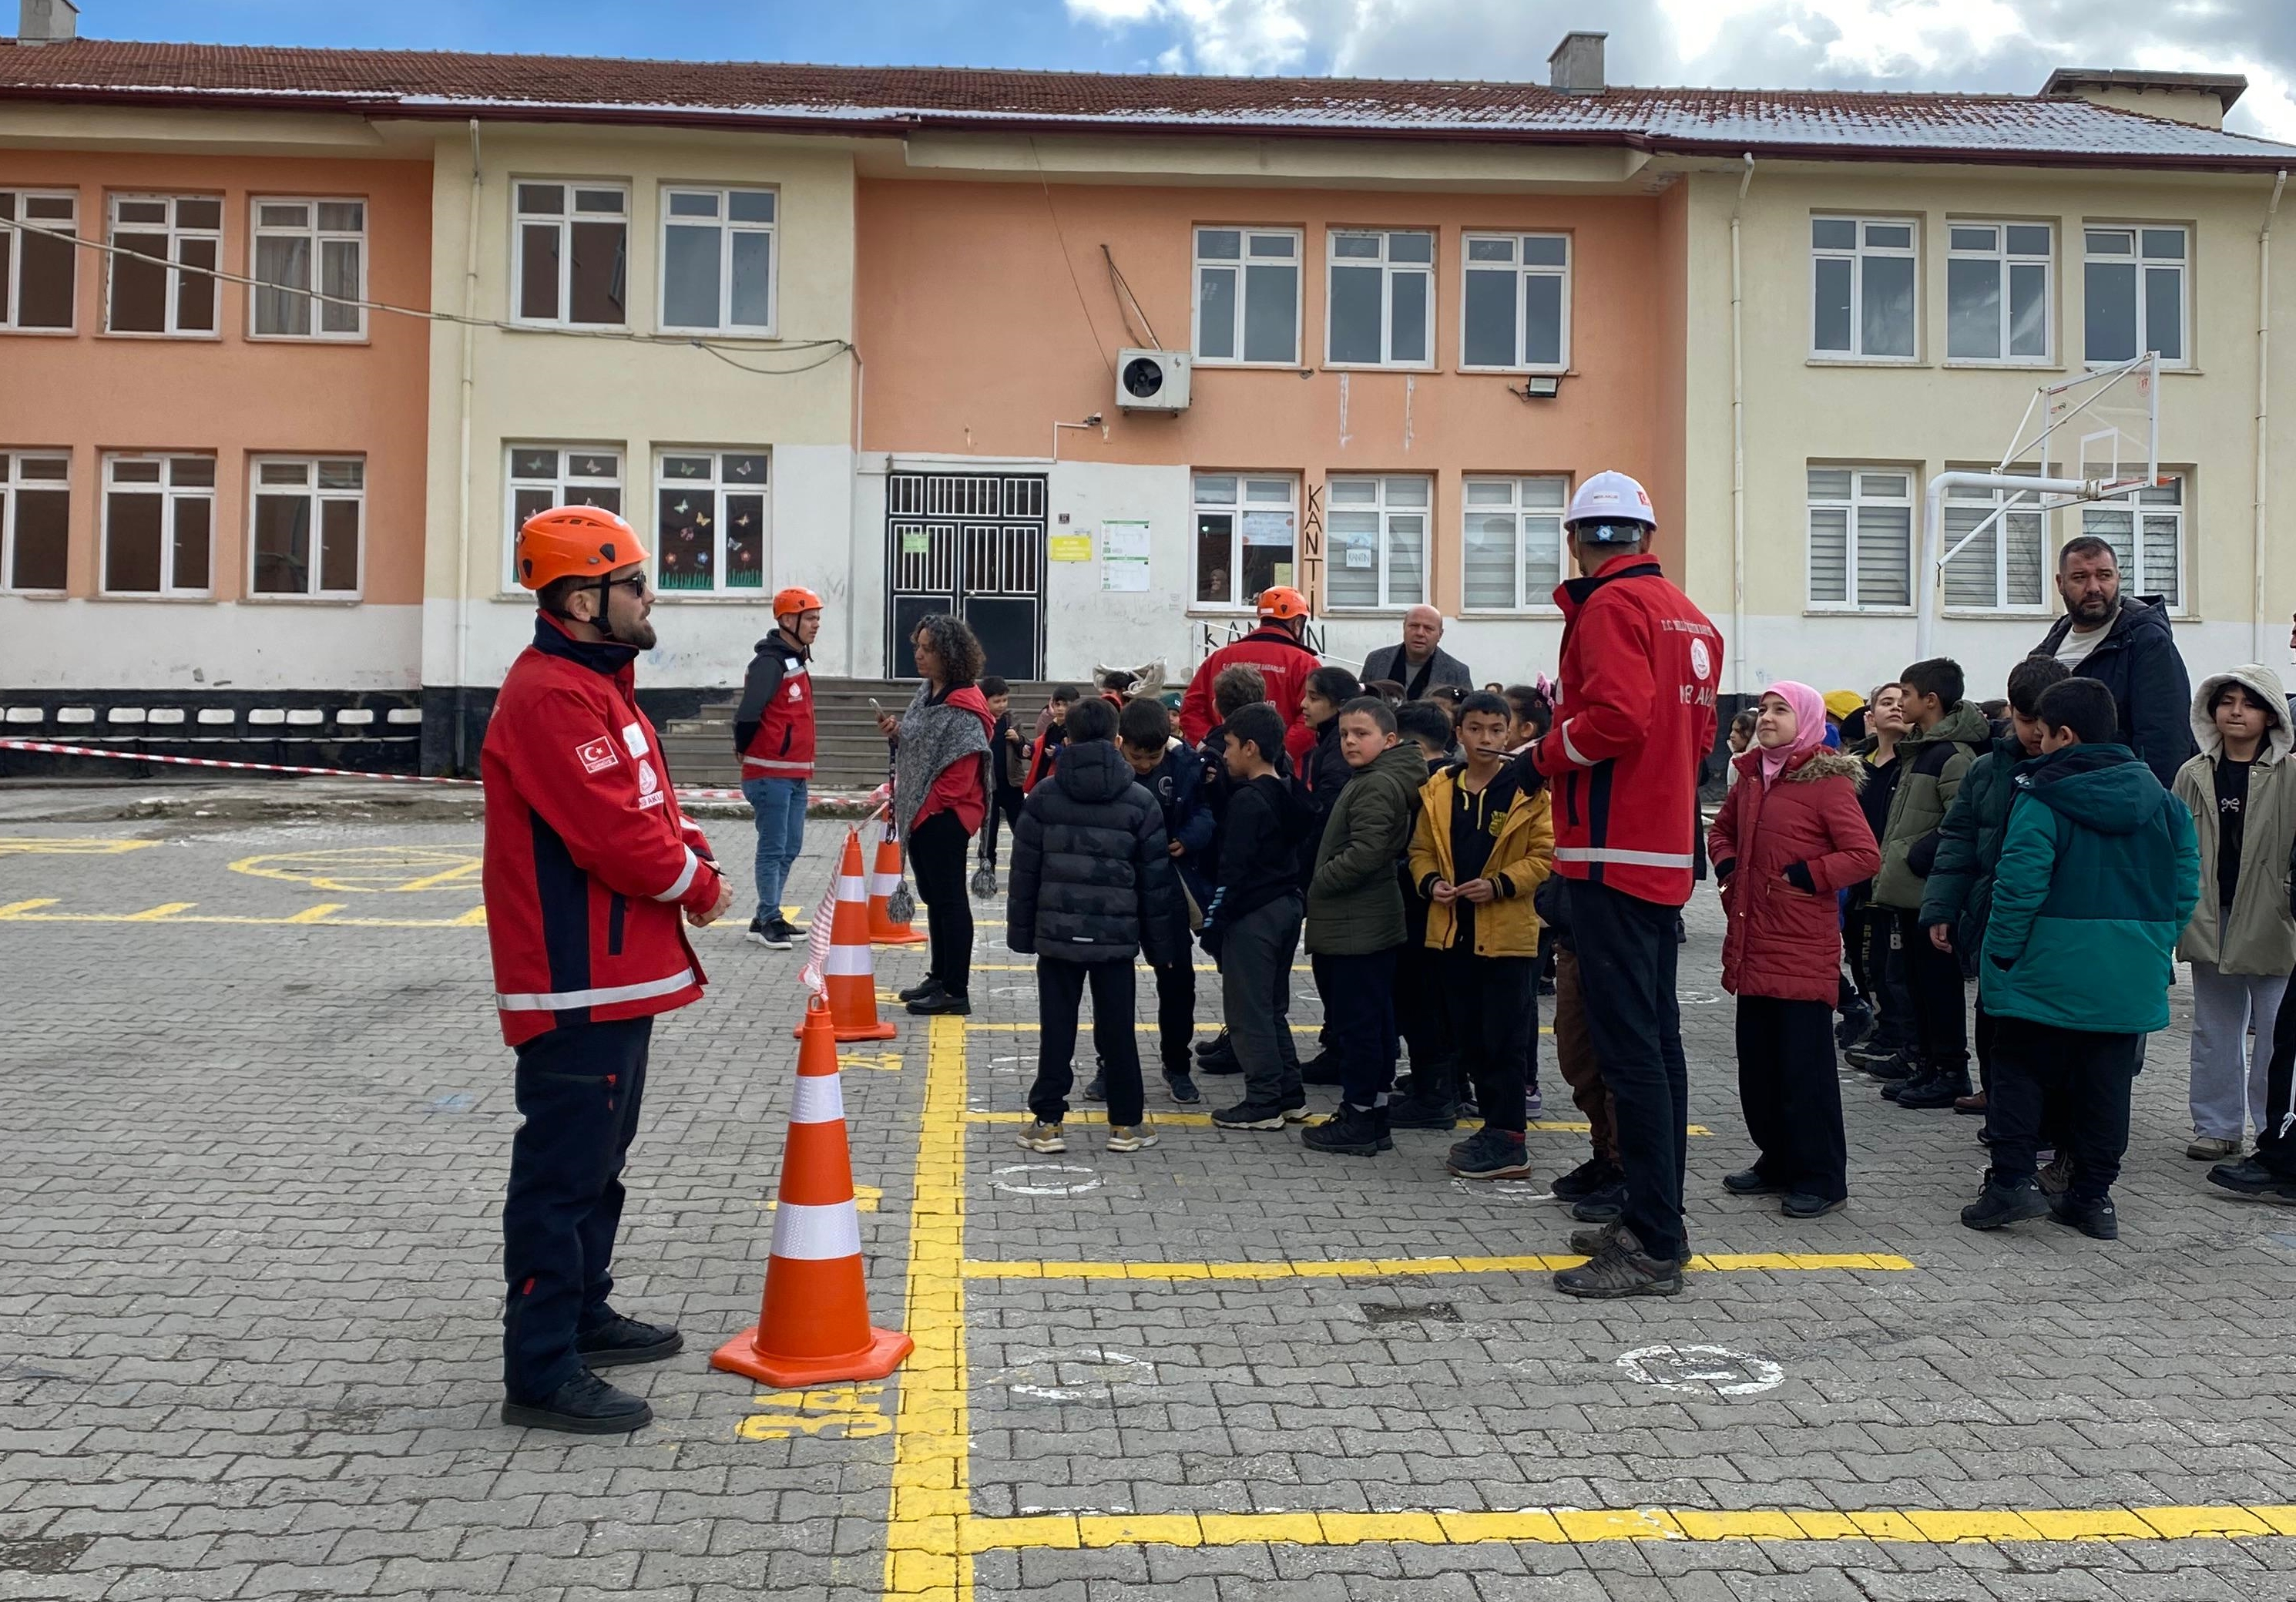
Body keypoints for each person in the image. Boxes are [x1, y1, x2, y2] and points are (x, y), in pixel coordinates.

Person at [484, 506, 731, 1434]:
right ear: (583, 598)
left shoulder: (599, 686)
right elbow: (610, 834)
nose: (648, 595)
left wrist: (693, 846)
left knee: (600, 1162)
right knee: (562, 1173)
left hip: (615, 970)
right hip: (575, 972)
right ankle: (541, 1371)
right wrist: (695, 884)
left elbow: (646, 801)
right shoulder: (552, 693)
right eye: (632, 582)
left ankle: (583, 1313)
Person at [1526, 470, 1721, 1299]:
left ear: (1576, 539)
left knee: (1630, 1051)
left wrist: (1542, 754)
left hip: (1611, 850)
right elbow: (1695, 733)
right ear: (1645, 535)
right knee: (1657, 1046)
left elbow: (1615, 720)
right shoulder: (1687, 614)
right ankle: (1652, 1214)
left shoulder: (1608, 609)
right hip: (1662, 850)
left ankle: (1652, 1240)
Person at [1962, 677, 2198, 1239]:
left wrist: (2001, 954)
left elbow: (2019, 888)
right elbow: (2186, 886)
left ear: (2065, 735)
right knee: (2107, 1086)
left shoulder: (2042, 798)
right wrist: (2154, 941)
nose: (2035, 745)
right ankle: (2093, 1198)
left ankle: (2011, 1185)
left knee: (2018, 1070)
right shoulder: (2165, 804)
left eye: (2041, 734)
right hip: (2130, 971)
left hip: (2044, 964)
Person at [1708, 682, 1880, 1219]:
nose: (1767, 717)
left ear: (1805, 719)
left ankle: (1822, 1176)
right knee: (1759, 1068)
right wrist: (1730, 869)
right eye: (1763, 708)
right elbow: (1722, 832)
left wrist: (1808, 875)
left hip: (1801, 945)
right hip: (1753, 941)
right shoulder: (1753, 776)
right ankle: (1776, 1159)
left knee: (1805, 1072)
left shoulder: (1826, 782)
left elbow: (1864, 854)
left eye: (1781, 709)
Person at [1008, 696, 1188, 1157]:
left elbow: (1024, 872)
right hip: (1115, 942)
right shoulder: (1140, 801)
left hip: (1058, 939)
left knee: (1057, 1029)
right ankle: (1125, 1125)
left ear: (1067, 738)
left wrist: (1022, 936)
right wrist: (1161, 946)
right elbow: (1155, 884)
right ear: (1117, 739)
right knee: (1118, 1031)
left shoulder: (1044, 797)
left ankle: (1048, 1122)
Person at [1409, 691, 1556, 1179]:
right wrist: (1432, 883)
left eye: (1497, 730)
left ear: (1512, 733)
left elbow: (1544, 856)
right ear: (1459, 734)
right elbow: (1421, 850)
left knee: (1504, 1038)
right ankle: (1492, 1127)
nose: (1487, 739)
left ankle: (1509, 1136)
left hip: (1508, 934)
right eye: (1476, 729)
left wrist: (1498, 885)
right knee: (1467, 1034)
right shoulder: (1440, 788)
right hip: (1452, 931)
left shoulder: (1528, 791)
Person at [1920, 658, 2070, 1128]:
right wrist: (1942, 906)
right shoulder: (1987, 769)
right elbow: (1958, 839)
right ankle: (1999, 1099)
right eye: (2025, 721)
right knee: (1992, 1014)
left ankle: (2037, 1112)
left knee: (2041, 1023)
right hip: (1993, 913)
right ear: (2010, 711)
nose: (2033, 733)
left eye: (2043, 724)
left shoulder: (2073, 769)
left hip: (2052, 921)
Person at [2171, 667, 2296, 1161]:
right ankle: (2217, 1126)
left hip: (2273, 918)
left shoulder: (2292, 774)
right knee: (2212, 1028)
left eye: (2249, 702)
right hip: (2211, 916)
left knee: (2276, 1031)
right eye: (2227, 700)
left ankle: (2275, 1130)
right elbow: (2177, 847)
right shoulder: (2193, 773)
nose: (2236, 711)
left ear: (2271, 715)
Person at [1299, 697, 1432, 1156]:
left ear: (1389, 740)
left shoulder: (1377, 784)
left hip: (1358, 922)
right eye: (1344, 735)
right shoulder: (1377, 777)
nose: (1350, 741)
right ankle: (1371, 1114)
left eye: (1362, 734)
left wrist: (1320, 880)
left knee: (1359, 1025)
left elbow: (1369, 850)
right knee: (1372, 1022)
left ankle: (1359, 1117)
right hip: (1364, 920)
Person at [1869, 658, 1990, 1111]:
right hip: (1909, 888)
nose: (1900, 701)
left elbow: (1964, 819)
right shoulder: (1920, 749)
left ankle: (1950, 1069)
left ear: (1931, 701)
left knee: (1938, 985)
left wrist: (1920, 855)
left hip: (1931, 889)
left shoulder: (1953, 755)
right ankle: (1924, 1062)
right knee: (1915, 981)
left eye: (1906, 693)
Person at [1203, 702, 1313, 1129]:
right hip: (1287, 904)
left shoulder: (1248, 801)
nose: (1225, 755)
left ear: (1251, 747)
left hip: (1254, 914)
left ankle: (1263, 1101)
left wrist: (1215, 923)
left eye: (1229, 746)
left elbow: (1234, 869)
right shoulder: (1289, 790)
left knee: (1248, 1012)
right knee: (1272, 1008)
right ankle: (1290, 1095)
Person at [879, 614, 994, 1016]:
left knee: (950, 901)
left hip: (945, 817)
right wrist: (897, 733)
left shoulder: (963, 703)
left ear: (949, 654)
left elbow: (960, 775)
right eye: (918, 646)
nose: (919, 655)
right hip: (924, 815)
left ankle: (955, 990)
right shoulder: (928, 692)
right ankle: (939, 975)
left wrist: (922, 813)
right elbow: (920, 743)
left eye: (928, 649)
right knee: (933, 898)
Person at [2030, 536, 2196, 788]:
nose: (2094, 587)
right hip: (2056, 796)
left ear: (2118, 577)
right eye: (2080, 577)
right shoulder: (2050, 647)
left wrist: (2148, 804)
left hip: (2121, 800)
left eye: (2104, 575)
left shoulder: (2147, 642)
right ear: (2060, 583)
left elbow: (2165, 738)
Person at [1119, 695, 1215, 1105]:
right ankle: (1112, 1067)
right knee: (1113, 985)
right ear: (1120, 742)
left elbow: (1205, 814)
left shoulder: (1186, 766)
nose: (1143, 765)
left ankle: (1177, 1065)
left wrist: (1188, 839)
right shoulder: (1106, 769)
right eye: (1136, 756)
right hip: (1119, 889)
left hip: (1170, 887)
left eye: (1152, 757)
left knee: (1178, 980)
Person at [1190, 663, 1276, 1080]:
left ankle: (1246, 1046)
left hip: (1228, 870)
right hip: (1267, 877)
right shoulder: (1277, 755)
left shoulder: (1214, 751)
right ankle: (1241, 1038)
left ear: (1217, 704)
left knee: (1238, 965)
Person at [1388, 697, 1469, 1130]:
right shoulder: (1457, 778)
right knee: (1439, 1003)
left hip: (1422, 908)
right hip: (1444, 909)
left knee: (1420, 1003)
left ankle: (1434, 1094)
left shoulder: (1426, 784)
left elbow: (1416, 848)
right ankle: (1448, 1086)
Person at [732, 586, 822, 949]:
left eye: (818, 618)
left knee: (791, 845)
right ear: (788, 620)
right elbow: (748, 713)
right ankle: (769, 916)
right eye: (810, 618)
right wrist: (743, 747)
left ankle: (765, 915)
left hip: (794, 772)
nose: (817, 625)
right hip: (770, 773)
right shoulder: (769, 662)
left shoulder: (795, 659)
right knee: (773, 848)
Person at [1843, 685, 1914, 1073]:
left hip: (1895, 875)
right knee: (1860, 953)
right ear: (1870, 715)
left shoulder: (1912, 761)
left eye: (1900, 702)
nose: (1895, 708)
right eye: (1886, 703)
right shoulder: (1856, 763)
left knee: (1892, 961)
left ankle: (1898, 1032)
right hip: (1857, 874)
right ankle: (1877, 1022)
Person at [1177, 586, 1322, 767]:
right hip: (1279, 776)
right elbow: (1313, 720)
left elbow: (1191, 710)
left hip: (1219, 770)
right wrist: (1276, 756)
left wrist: (1214, 748)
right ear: (1297, 624)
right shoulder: (1306, 664)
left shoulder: (1218, 658)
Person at [1361, 605, 1474, 700]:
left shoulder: (1457, 672)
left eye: (1428, 628)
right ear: (1404, 627)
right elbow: (1359, 701)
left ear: (1440, 634)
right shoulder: (1376, 660)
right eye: (1414, 626)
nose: (1420, 633)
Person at [976, 676, 1029, 877]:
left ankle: (1026, 867)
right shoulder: (979, 722)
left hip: (1012, 783)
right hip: (989, 785)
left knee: (1022, 828)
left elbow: (1026, 748)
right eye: (996, 701)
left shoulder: (1012, 720)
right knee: (989, 832)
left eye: (1004, 700)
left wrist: (1018, 741)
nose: (1001, 705)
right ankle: (986, 870)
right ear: (985, 700)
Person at [1023, 684, 1080, 793]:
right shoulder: (1052, 726)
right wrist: (1031, 749)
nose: (1060, 709)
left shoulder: (1075, 730)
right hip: (1042, 779)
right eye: (1058, 704)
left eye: (1066, 705)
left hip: (1061, 784)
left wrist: (1059, 752)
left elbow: (1078, 755)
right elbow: (1041, 745)